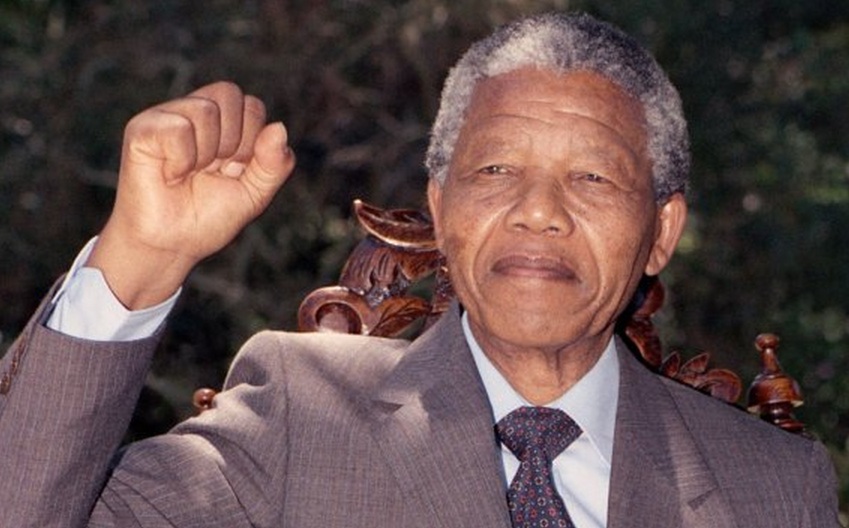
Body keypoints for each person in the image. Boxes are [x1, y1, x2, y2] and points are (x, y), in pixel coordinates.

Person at [0, 11, 839, 528]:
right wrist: (142, 259)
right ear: (439, 208)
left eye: (591, 177)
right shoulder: (296, 415)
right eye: (495, 170)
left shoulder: (771, 485)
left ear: (660, 231)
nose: (538, 211)